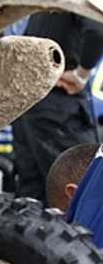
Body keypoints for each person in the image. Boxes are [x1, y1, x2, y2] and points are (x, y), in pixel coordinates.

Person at [12, 12, 103, 206]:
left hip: (28, 101)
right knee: (86, 182)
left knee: (33, 196)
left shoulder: (46, 4)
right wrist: (81, 75)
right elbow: (97, 29)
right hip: (60, 102)